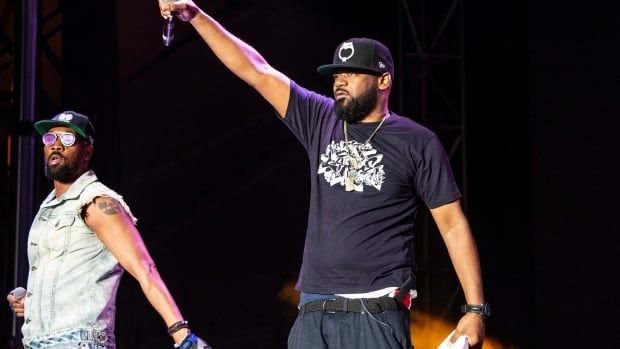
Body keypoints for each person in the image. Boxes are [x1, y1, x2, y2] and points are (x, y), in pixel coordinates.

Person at [158, 1, 488, 348]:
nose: (339, 82)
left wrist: (476, 309)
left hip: (374, 313)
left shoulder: (418, 142)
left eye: (351, 73)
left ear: (384, 80)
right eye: (336, 75)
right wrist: (196, 16)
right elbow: (256, 70)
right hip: (313, 312)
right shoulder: (320, 117)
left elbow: (452, 225)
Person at [6, 111, 210, 349]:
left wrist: (182, 334)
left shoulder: (97, 202)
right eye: (50, 139)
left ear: (87, 152)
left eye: (68, 139)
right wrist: (34, 303)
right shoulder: (48, 208)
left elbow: (145, 269)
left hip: (78, 342)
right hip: (38, 343)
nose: (57, 146)